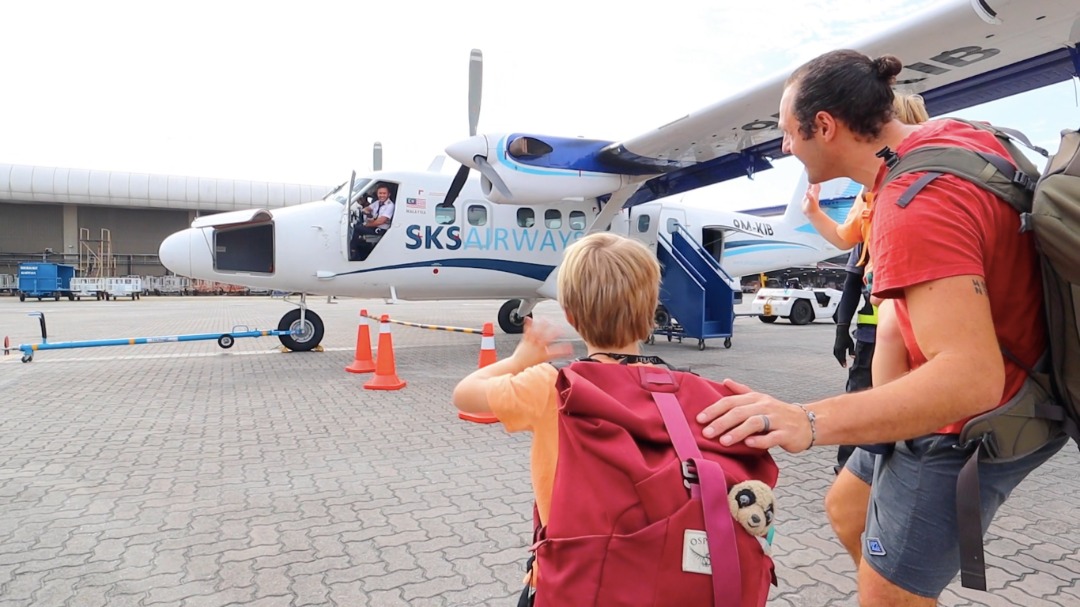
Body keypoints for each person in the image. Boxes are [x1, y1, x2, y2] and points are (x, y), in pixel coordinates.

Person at [694, 49, 1067, 606]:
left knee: (886, 593)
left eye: (788, 132)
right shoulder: (952, 138)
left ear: (824, 126)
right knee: (847, 507)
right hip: (972, 388)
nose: (785, 147)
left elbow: (971, 380)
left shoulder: (914, 202)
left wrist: (808, 420)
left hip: (967, 425)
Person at [451, 232, 660, 588]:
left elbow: (464, 394)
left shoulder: (551, 386)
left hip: (571, 577)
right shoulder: (680, 390)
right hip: (651, 574)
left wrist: (519, 360)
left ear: (570, 316)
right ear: (652, 309)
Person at [800, 93, 929, 474]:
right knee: (886, 351)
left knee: (891, 348)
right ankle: (879, 438)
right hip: (884, 302)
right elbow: (846, 238)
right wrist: (813, 212)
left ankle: (887, 432)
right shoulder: (870, 191)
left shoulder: (909, 181)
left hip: (901, 293)